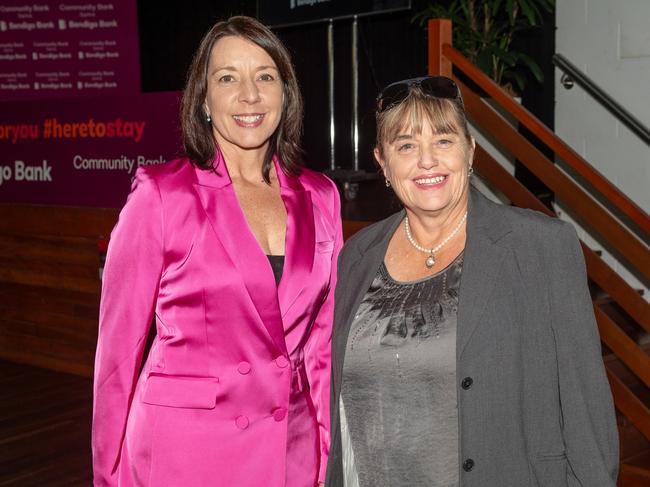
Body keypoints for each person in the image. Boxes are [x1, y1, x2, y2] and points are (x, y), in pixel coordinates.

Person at [325, 76, 618, 486]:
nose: (427, 161)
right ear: (383, 162)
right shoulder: (356, 256)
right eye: (406, 145)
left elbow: (587, 413)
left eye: (443, 140)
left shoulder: (540, 247)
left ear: (470, 150)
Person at [92, 16, 342, 487]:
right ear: (203, 100)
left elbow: (321, 352)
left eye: (265, 76)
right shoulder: (162, 196)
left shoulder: (321, 196)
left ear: (285, 94)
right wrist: (106, 476)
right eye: (228, 78)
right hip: (184, 455)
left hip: (289, 452)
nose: (250, 95)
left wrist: (328, 460)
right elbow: (117, 356)